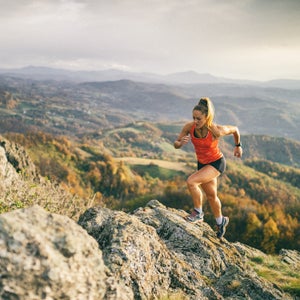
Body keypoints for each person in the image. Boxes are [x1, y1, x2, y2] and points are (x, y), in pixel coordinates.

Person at [174, 97, 243, 238]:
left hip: (216, 163)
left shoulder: (216, 130)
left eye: (199, 119)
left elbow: (235, 129)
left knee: (191, 181)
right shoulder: (189, 127)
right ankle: (221, 221)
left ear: (207, 118)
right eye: (194, 118)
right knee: (211, 196)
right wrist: (181, 143)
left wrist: (238, 146)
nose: (195, 121)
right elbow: (176, 144)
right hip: (203, 164)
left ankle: (198, 212)